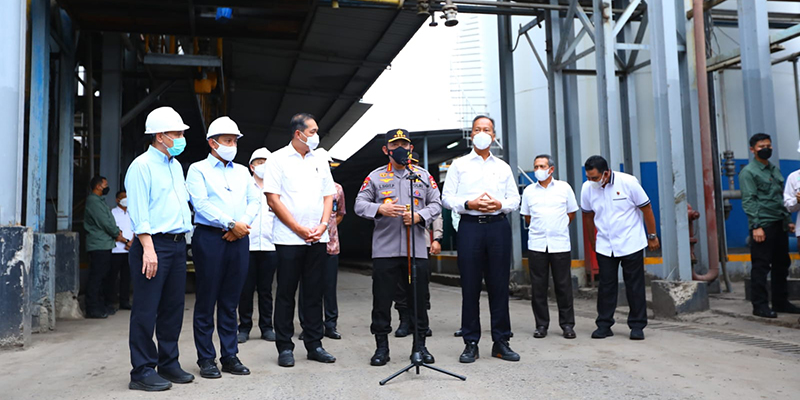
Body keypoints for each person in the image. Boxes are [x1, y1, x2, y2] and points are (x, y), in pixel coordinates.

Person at [355, 129, 442, 366]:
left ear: (411, 148)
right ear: (386, 150)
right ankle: (382, 347)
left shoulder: (422, 176)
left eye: (404, 144)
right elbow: (359, 205)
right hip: (385, 251)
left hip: (416, 250)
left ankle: (420, 347)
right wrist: (379, 209)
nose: (400, 149)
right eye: (395, 145)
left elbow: (437, 203)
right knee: (382, 301)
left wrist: (419, 216)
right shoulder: (375, 177)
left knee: (419, 301)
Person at [125, 106, 194, 391]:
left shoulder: (175, 165)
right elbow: (140, 212)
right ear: (159, 135)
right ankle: (141, 370)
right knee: (146, 308)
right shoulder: (141, 166)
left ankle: (168, 362)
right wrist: (148, 250)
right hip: (153, 245)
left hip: (177, 245)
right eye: (176, 133)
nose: (180, 138)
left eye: (181, 133)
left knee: (172, 308)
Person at [441, 115, 520, 364]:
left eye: (487, 129)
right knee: (470, 287)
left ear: (493, 135)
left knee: (499, 286)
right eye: (477, 129)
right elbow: (446, 198)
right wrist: (468, 204)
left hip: (497, 227)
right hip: (470, 227)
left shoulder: (503, 167)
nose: (482, 133)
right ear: (471, 135)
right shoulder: (459, 165)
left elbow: (514, 199)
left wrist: (500, 204)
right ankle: (471, 342)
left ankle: (501, 341)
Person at [186, 116, 259, 378]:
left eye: (235, 140)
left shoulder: (242, 171)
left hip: (239, 237)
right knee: (207, 299)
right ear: (212, 143)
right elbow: (200, 204)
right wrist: (229, 223)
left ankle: (230, 355)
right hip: (209, 237)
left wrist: (241, 225)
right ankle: (206, 358)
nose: (233, 144)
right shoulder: (197, 170)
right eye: (228, 140)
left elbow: (255, 200)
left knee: (230, 301)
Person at [263, 113, 337, 367]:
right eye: (313, 131)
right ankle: (285, 347)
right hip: (288, 238)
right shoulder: (277, 159)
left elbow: (329, 196)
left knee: (315, 293)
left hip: (318, 236)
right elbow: (273, 199)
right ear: (299, 133)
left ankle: (315, 344)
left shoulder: (320, 159)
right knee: (286, 293)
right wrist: (297, 228)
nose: (317, 135)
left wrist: (323, 225)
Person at [580, 155, 659, 341]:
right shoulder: (587, 188)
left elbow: (646, 208)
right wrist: (593, 242)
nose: (590, 181)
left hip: (631, 242)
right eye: (588, 177)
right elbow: (588, 217)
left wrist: (652, 236)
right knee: (606, 286)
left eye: (594, 177)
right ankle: (604, 325)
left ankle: (637, 325)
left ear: (606, 173)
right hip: (605, 245)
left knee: (634, 285)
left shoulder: (628, 182)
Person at [520, 155, 578, 339]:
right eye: (536, 166)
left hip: (559, 243)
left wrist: (557, 227)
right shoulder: (529, 191)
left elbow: (571, 213)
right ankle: (541, 325)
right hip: (537, 245)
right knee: (538, 286)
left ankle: (567, 325)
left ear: (551, 169)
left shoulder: (564, 188)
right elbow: (527, 217)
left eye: (542, 166)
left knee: (563, 285)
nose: (538, 169)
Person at [742, 133, 800, 318]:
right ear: (752, 149)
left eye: (768, 145)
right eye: (761, 146)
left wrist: (787, 221)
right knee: (761, 265)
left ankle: (780, 301)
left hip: (779, 223)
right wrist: (756, 226)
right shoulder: (749, 172)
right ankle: (759, 305)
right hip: (763, 224)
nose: (766, 148)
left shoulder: (773, 170)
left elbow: (779, 199)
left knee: (781, 263)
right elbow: (749, 200)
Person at [298, 148, 346, 341]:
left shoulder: (337, 189)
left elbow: (340, 213)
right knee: (307, 288)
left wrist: (329, 227)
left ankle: (331, 325)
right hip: (307, 243)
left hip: (331, 246)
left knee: (329, 287)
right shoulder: (303, 186)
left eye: (327, 164)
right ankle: (308, 325)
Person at [394, 151, 441, 338]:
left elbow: (436, 211)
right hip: (398, 242)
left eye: (413, 162)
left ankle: (421, 320)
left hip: (421, 241)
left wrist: (437, 238)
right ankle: (404, 319)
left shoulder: (423, 179)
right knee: (400, 284)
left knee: (421, 283)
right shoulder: (394, 181)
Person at [238, 147, 278, 344]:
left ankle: (267, 327)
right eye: (260, 162)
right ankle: (244, 327)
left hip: (270, 246)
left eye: (267, 163)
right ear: (251, 166)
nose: (263, 166)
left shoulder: (277, 190)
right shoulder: (244, 188)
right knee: (245, 289)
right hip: (247, 245)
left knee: (266, 290)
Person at [83, 175, 125, 319]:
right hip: (98, 244)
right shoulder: (93, 202)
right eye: (105, 185)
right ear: (98, 186)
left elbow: (108, 220)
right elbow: (104, 222)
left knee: (103, 276)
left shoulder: (99, 201)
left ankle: (101, 306)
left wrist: (116, 229)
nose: (107, 187)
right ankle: (92, 308)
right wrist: (116, 232)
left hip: (104, 243)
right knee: (97, 277)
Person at [107, 190, 134, 311]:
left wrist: (131, 242)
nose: (126, 199)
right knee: (112, 277)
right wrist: (125, 241)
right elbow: (113, 230)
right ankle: (111, 301)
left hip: (129, 250)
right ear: (117, 200)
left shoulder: (132, 213)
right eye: (123, 197)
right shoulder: (112, 213)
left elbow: (136, 228)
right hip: (116, 249)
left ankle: (125, 301)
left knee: (126, 277)